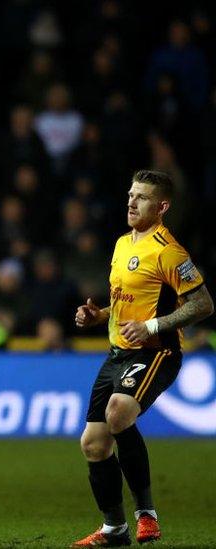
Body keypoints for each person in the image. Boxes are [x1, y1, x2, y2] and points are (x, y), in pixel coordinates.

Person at [72, 170, 213, 547]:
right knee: (94, 443)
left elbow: (203, 304)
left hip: (157, 352)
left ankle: (146, 514)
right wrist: (98, 315)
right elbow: (122, 304)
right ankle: (113, 529)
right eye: (131, 194)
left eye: (143, 198)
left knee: (118, 412)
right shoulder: (122, 244)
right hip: (117, 353)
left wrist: (152, 327)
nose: (132, 202)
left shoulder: (170, 251)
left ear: (162, 206)